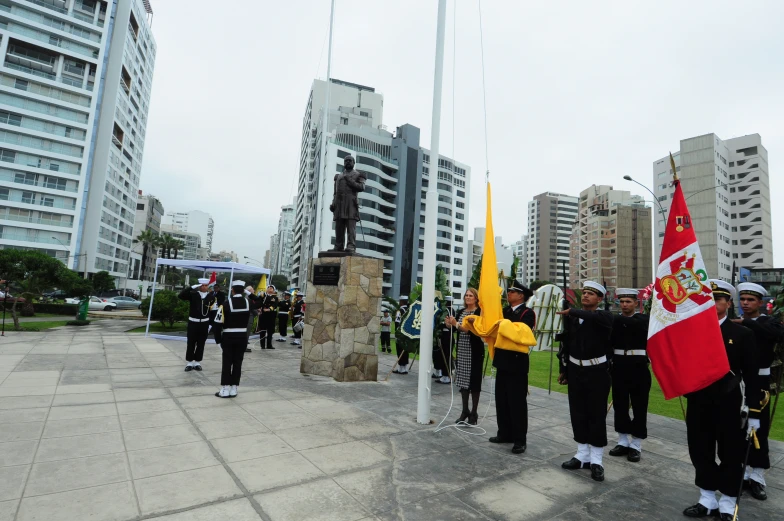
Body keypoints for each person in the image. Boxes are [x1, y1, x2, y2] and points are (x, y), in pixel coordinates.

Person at [682, 280, 761, 520]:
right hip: (698, 399)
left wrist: (754, 412)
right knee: (700, 450)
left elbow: (752, 375)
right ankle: (707, 499)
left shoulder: (742, 334)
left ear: (728, 303)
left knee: (730, 452)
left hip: (728, 401)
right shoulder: (691, 330)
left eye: (718, 299)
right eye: (708, 299)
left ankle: (727, 502)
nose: (713, 303)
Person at [556, 281, 614, 482]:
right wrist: (564, 369)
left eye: (591, 293)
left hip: (596, 371)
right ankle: (582, 454)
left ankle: (596, 460)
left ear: (600, 299)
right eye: (584, 292)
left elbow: (591, 316)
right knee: (578, 412)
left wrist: (570, 311)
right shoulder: (572, 318)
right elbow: (565, 345)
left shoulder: (604, 316)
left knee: (596, 415)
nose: (586, 295)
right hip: (575, 370)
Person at [733, 282, 781, 501]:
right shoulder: (735, 323)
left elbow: (775, 333)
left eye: (750, 300)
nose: (745, 303)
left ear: (760, 303)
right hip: (737, 380)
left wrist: (746, 323)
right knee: (737, 428)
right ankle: (742, 472)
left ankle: (758, 476)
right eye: (742, 299)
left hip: (759, 382)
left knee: (758, 428)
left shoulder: (767, 322)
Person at [489, 280, 536, 454]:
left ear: (521, 295)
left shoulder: (527, 313)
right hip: (502, 361)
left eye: (512, 292)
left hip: (517, 364)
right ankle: (504, 433)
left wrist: (503, 322)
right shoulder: (505, 311)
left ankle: (519, 439)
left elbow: (522, 331)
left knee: (517, 402)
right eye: (508, 291)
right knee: (501, 400)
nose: (508, 294)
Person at [608, 288, 651, 463]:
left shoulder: (644, 320)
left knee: (640, 405)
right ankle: (623, 440)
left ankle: (636, 444)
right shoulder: (614, 320)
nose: (624, 304)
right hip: (618, 365)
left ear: (636, 303)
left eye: (628, 301)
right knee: (620, 404)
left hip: (639, 366)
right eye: (622, 301)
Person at [446, 287, 484, 425]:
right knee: (462, 381)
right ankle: (465, 410)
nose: (468, 297)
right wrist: (449, 324)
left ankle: (474, 412)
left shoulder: (479, 312)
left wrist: (456, 324)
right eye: (466, 295)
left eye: (470, 295)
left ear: (476, 298)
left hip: (474, 350)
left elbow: (469, 330)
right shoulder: (461, 311)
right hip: (462, 349)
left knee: (474, 382)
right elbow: (456, 327)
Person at [215, 280, 252, 398]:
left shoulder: (226, 304)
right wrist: (250, 293)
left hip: (228, 336)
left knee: (227, 362)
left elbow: (217, 323)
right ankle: (234, 388)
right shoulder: (248, 302)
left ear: (232, 290)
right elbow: (260, 302)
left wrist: (218, 340)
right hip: (242, 337)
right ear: (243, 290)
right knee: (237, 362)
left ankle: (225, 389)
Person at [328, 154, 366, 253]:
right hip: (339, 205)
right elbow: (335, 192)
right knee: (339, 227)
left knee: (351, 227)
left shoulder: (358, 174)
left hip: (351, 204)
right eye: (346, 161)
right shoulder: (338, 176)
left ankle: (351, 246)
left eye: (350, 160)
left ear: (354, 163)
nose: (348, 162)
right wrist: (333, 203)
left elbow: (361, 187)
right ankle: (338, 246)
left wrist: (349, 179)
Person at [178, 278, 216, 372]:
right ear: (199, 286)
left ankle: (197, 362)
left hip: (204, 323)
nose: (204, 287)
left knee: (201, 343)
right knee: (191, 342)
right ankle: (190, 362)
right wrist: (191, 287)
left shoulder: (212, 297)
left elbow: (213, 312)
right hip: (193, 322)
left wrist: (210, 324)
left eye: (206, 285)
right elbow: (181, 295)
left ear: (208, 286)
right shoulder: (193, 294)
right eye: (202, 285)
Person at [434, 296, 454, 383]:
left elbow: (445, 323)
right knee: (445, 356)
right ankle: (445, 375)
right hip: (447, 335)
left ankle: (446, 376)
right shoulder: (451, 310)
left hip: (447, 335)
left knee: (446, 356)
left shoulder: (447, 310)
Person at [392, 297, 411, 374]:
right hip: (407, 334)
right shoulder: (409, 310)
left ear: (401, 302)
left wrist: (397, 334)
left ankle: (401, 368)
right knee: (405, 350)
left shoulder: (400, 311)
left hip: (401, 334)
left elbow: (397, 323)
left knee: (400, 350)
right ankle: (405, 367)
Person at [258, 285, 279, 349]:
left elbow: (274, 305)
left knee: (270, 331)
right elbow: (259, 302)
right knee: (262, 330)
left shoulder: (275, 297)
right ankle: (262, 345)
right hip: (263, 315)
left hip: (271, 315)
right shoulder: (263, 296)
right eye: (269, 288)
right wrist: (258, 308)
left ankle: (269, 345)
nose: (270, 289)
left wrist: (269, 309)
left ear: (273, 290)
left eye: (271, 288)